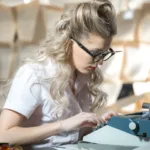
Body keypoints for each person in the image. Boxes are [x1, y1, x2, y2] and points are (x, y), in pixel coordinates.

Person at [0, 0, 118, 149]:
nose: (100, 62)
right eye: (95, 53)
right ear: (69, 43)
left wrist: (98, 124)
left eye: (104, 54)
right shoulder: (35, 74)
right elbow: (3, 135)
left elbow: (74, 137)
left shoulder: (83, 76)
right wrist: (61, 125)